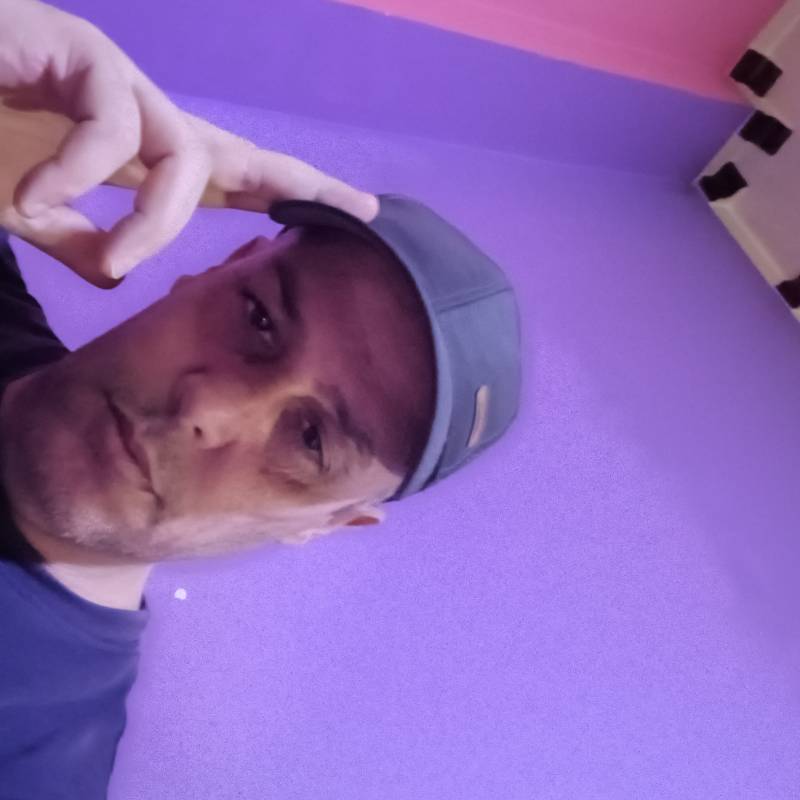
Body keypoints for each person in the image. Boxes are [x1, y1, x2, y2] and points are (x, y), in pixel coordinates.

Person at [0, 1, 522, 798]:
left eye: (312, 440)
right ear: (219, 269)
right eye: (259, 318)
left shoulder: (33, 757)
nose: (209, 409)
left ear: (328, 524)